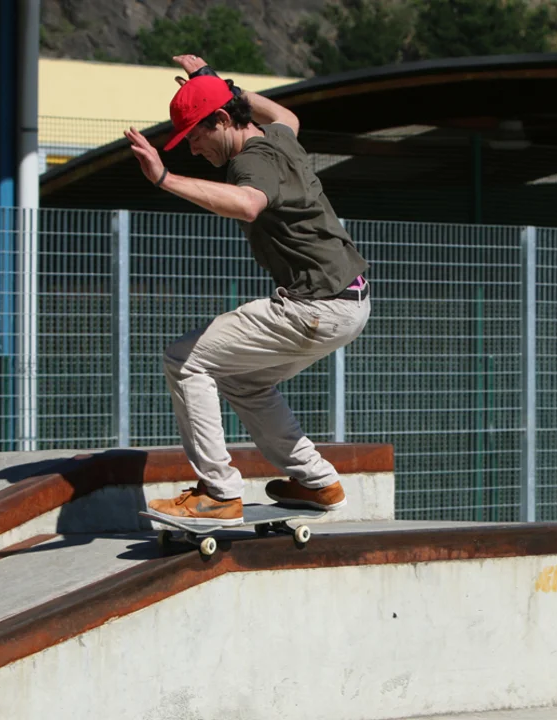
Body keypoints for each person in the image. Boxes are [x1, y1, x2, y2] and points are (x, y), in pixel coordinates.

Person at [124, 54, 370, 526]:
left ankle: (218, 493)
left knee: (185, 360)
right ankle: (317, 481)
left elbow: (248, 204)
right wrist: (219, 84)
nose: (194, 149)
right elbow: (286, 115)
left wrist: (164, 179)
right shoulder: (277, 138)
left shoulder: (249, 164)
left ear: (221, 120)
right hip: (349, 301)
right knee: (244, 379)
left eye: (195, 136)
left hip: (315, 305)